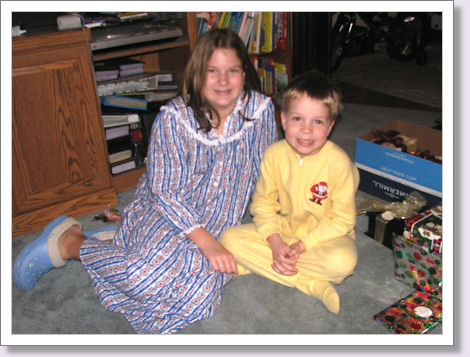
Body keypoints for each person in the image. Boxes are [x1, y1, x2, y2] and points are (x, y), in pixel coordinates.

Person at [13, 28, 277, 334]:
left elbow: (268, 168)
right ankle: (72, 243)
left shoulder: (261, 110)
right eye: (212, 71)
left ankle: (120, 244)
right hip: (167, 212)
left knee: (199, 298)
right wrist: (208, 245)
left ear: (244, 73)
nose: (222, 81)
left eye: (232, 71)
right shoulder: (173, 118)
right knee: (144, 278)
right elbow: (165, 193)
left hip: (219, 219)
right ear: (196, 74)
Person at [220, 70, 359, 314]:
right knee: (228, 239)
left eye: (317, 121)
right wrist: (275, 242)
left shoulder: (339, 163)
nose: (306, 130)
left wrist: (303, 246)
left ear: (330, 126)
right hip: (286, 229)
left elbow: (342, 221)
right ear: (283, 120)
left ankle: (268, 264)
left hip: (325, 237)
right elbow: (262, 206)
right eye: (297, 119)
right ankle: (309, 283)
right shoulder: (273, 155)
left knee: (343, 263)